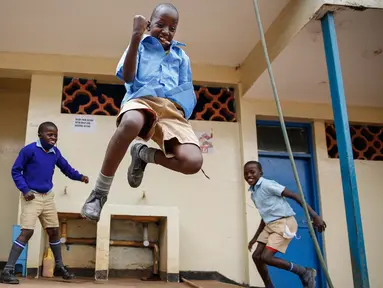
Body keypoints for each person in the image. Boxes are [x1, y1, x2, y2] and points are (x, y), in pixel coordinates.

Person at [81, 3, 202, 222]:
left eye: (172, 28)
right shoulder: (141, 45)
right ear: (149, 25)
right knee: (130, 123)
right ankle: (99, 193)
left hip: (171, 110)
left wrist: (182, 110)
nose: (166, 31)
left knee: (193, 163)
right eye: (160, 24)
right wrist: (136, 37)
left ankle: (143, 155)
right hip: (142, 99)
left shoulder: (181, 56)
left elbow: (186, 88)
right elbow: (127, 77)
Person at [0, 122, 89, 284]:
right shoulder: (29, 150)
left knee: (54, 231)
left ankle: (60, 267)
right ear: (40, 135)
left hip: (47, 196)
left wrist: (80, 177)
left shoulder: (55, 152)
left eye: (55, 134)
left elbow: (66, 169)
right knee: (27, 232)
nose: (53, 137)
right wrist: (25, 189)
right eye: (49, 134)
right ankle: (7, 270)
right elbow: (16, 171)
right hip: (31, 196)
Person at [244, 161, 327, 288]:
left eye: (252, 172)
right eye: (246, 173)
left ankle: (304, 272)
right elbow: (264, 216)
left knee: (266, 257)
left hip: (284, 223)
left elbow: (295, 196)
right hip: (270, 225)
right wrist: (255, 238)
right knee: (256, 256)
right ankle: (269, 286)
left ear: (260, 173)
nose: (249, 175)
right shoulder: (254, 193)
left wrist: (314, 215)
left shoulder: (267, 185)